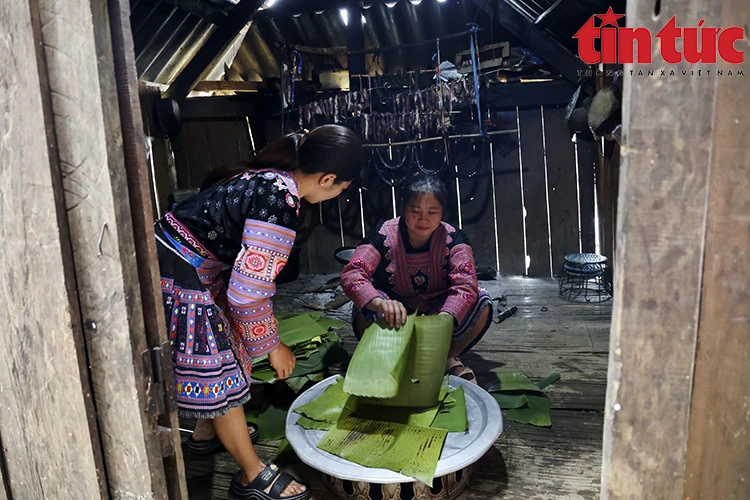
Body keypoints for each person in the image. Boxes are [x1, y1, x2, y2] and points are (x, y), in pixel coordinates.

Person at [155, 124, 364, 499]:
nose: (336, 196)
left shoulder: (272, 178)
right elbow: (247, 296)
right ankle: (252, 474)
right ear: (329, 178)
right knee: (220, 370)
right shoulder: (280, 202)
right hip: (176, 270)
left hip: (181, 261)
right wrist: (273, 347)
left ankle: (205, 433)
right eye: (340, 190)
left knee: (226, 348)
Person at [340, 175, 493, 383]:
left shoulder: (454, 238)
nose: (423, 219)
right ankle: (393, 357)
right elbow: (353, 273)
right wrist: (380, 303)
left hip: (438, 314)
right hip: (394, 316)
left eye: (432, 212)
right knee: (363, 306)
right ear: (403, 208)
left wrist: (444, 319)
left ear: (442, 212)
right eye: (415, 211)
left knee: (481, 300)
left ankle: (445, 357)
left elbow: (466, 284)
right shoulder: (383, 235)